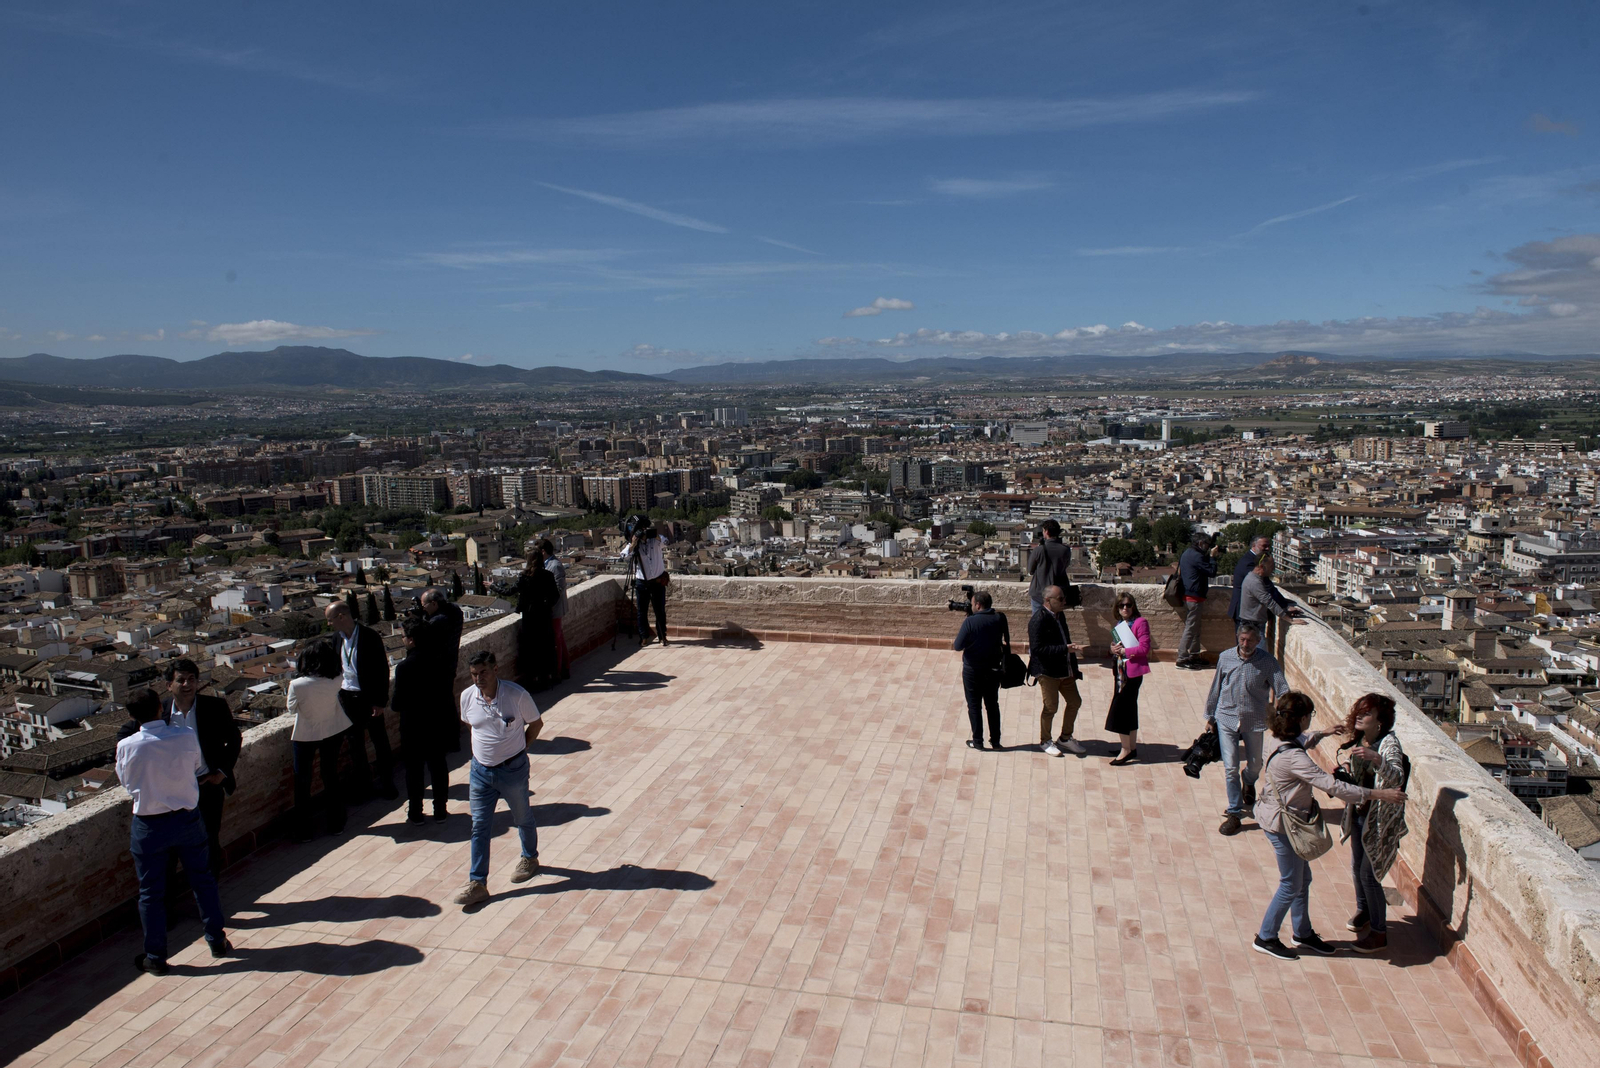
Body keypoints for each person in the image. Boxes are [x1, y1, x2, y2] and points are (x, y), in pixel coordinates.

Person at [1252, 691, 1404, 962]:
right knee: (1290, 883)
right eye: (1308, 715)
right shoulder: (1295, 759)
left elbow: (1301, 740)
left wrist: (1323, 733)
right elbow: (1332, 786)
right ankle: (1266, 937)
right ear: (1300, 719)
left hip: (1276, 816)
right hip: (1282, 825)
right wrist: (1381, 795)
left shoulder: (1274, 737)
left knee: (1303, 879)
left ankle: (1302, 932)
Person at [116, 690, 233, 974]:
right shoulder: (183, 735)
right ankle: (217, 940)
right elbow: (196, 768)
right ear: (160, 707)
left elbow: (128, 785)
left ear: (132, 716)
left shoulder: (127, 746)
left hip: (149, 824)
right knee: (203, 880)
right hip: (186, 818)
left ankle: (155, 957)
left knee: (151, 893)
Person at [118, 659, 241, 876]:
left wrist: (221, 773)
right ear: (168, 685)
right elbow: (125, 733)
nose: (187, 685)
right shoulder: (158, 712)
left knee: (210, 839)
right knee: (171, 853)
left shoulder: (214, 707)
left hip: (206, 786)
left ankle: (211, 890)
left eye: (192, 679)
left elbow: (234, 739)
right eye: (181, 680)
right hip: (172, 792)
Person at [454, 651, 543, 907]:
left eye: (483, 672)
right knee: (479, 826)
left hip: (512, 770)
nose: (478, 679)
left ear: (495, 669)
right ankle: (477, 882)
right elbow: (472, 725)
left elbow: (536, 724)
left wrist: (518, 751)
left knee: (522, 816)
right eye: (473, 674)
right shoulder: (467, 697)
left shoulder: (516, 695)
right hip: (480, 772)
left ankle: (530, 857)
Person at [1337, 693, 1410, 953]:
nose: (1359, 715)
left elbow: (1396, 776)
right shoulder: (1360, 738)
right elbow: (1356, 769)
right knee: (1357, 866)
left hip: (1378, 819)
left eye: (1366, 713)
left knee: (1370, 874)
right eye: (1359, 710)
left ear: (1379, 721)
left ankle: (1379, 933)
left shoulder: (1388, 744)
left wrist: (1376, 759)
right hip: (1359, 812)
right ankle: (1364, 911)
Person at [1206, 621, 1289, 836]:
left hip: (1254, 719)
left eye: (1250, 640)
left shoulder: (1267, 662)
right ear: (1237, 637)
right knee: (1230, 766)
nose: (1246, 644)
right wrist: (1210, 716)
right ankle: (1234, 812)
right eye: (1242, 639)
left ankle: (1249, 781)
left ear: (1258, 641)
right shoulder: (1226, 657)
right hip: (1227, 716)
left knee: (1255, 764)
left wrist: (1282, 714)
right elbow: (1216, 687)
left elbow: (1282, 688)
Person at [324, 600, 397, 801]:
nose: (329, 624)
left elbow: (383, 670)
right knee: (355, 745)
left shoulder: (369, 637)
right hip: (347, 697)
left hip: (369, 697)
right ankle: (365, 787)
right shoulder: (336, 638)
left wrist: (380, 702)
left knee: (379, 741)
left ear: (341, 617)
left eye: (330, 620)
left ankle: (388, 784)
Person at [287, 638, 352, 840]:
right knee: (330, 775)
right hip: (333, 728)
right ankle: (336, 823)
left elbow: (291, 709)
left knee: (303, 781)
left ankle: (304, 830)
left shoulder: (297, 684)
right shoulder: (336, 679)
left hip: (306, 733)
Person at [394, 618, 450, 825]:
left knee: (414, 771)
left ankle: (415, 812)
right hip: (436, 722)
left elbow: (397, 703)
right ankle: (440, 811)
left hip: (413, 726)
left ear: (411, 640)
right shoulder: (440, 661)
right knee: (438, 767)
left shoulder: (404, 667)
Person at [1028, 585, 1088, 756]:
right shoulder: (1037, 620)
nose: (1064, 602)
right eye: (1060, 599)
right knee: (1050, 707)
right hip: (1047, 672)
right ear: (1048, 601)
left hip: (1064, 669)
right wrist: (1064, 649)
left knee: (1075, 701)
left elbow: (1065, 640)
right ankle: (1045, 741)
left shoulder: (1060, 616)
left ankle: (1065, 738)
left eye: (1063, 598)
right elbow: (1037, 650)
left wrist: (1072, 662)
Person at [952, 589, 1009, 751]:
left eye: (972, 605)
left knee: (974, 706)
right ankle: (996, 741)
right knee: (992, 705)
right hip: (993, 669)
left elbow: (957, 646)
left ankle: (978, 741)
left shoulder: (970, 622)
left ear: (978, 605)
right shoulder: (999, 618)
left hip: (973, 670)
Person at [1105, 592, 1150, 765]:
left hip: (1132, 674)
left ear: (1133, 606)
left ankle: (1125, 750)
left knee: (1121, 710)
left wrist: (1125, 652)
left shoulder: (1140, 623)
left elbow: (1144, 648)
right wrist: (1113, 648)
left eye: (1128, 605)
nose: (1125, 608)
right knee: (1130, 709)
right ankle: (1130, 747)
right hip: (1121, 672)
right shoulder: (1120, 624)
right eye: (1121, 605)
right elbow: (1117, 647)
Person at [420, 587, 465, 752]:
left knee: (441, 706)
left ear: (434, 603)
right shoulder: (455, 611)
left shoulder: (439, 620)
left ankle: (448, 741)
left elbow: (423, 634)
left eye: (424, 605)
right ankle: (453, 740)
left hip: (438, 668)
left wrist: (419, 618)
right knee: (447, 703)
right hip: (449, 664)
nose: (423, 608)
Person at [1228, 534, 1295, 626]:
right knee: (1246, 639)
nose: (1267, 549)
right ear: (1254, 546)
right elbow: (1265, 586)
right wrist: (1284, 606)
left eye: (1268, 546)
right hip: (1246, 611)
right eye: (1264, 546)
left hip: (1247, 611)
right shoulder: (1250, 563)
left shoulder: (1252, 559)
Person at [516, 552, 560, 689]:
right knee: (546, 647)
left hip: (529, 618)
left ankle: (533, 680)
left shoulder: (524, 577)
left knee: (531, 649)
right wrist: (546, 605)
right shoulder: (548, 575)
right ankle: (547, 677)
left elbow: (511, 591)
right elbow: (555, 595)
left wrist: (493, 587)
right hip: (544, 616)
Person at [1176, 533, 1219, 670]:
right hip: (1194, 597)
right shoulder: (1197, 556)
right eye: (1206, 544)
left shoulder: (1188, 553)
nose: (1207, 547)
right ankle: (1182, 658)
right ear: (1200, 543)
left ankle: (1194, 655)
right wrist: (1212, 557)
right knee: (1191, 628)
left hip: (1189, 596)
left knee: (1195, 628)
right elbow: (1211, 572)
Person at [624, 520, 671, 645]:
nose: (644, 534)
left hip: (657, 581)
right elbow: (623, 556)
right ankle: (644, 637)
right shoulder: (635, 545)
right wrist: (633, 544)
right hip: (642, 583)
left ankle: (662, 636)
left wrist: (654, 535)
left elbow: (666, 542)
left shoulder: (655, 541)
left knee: (659, 610)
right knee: (641, 611)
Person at [1237, 554, 1305, 639]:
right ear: (1262, 566)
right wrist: (1290, 620)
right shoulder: (1254, 582)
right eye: (1271, 566)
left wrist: (1284, 610)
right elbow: (1269, 602)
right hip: (1252, 627)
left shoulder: (1253, 578)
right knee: (1259, 652)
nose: (1273, 569)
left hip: (1252, 624)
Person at [1027, 520, 1073, 617]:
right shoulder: (1066, 550)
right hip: (1058, 593)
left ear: (1046, 532)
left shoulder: (1039, 550)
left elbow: (1030, 570)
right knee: (1056, 622)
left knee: (1037, 622)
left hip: (1039, 593)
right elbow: (1066, 565)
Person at [540, 540, 571, 680]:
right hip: (553, 609)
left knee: (556, 641)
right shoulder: (548, 565)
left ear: (543, 551)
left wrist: (546, 603)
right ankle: (565, 667)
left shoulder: (555, 566)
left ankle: (559, 672)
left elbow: (558, 590)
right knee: (559, 639)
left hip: (555, 609)